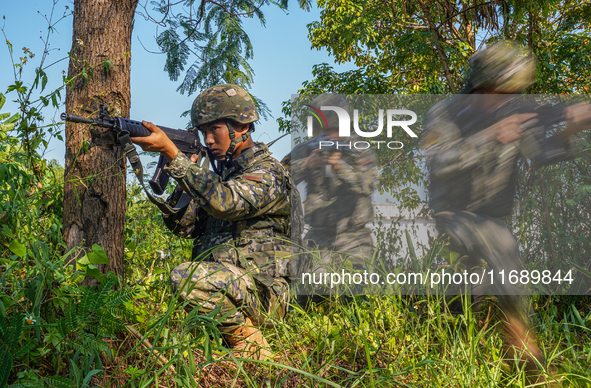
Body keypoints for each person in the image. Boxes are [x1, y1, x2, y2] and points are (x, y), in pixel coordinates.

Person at [421, 40, 591, 375]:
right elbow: (438, 161)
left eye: (515, 92)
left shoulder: (513, 112)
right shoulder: (444, 113)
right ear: (481, 86)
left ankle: (482, 353)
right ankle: (528, 362)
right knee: (499, 255)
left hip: (493, 219)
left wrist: (572, 125)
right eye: (503, 91)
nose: (510, 98)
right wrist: (490, 137)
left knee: (471, 296)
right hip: (452, 217)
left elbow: (543, 155)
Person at [131, 84, 292, 360]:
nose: (208, 140)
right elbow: (184, 228)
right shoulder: (222, 178)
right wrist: (183, 181)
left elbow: (227, 203)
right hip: (230, 289)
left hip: (265, 293)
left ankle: (254, 347)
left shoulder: (268, 172)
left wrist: (176, 157)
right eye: (203, 132)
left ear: (241, 127)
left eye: (214, 130)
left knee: (185, 277)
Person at [285, 94, 379, 301]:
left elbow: (368, 184)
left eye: (333, 130)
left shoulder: (359, 149)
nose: (328, 135)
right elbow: (277, 178)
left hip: (354, 236)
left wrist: (340, 165)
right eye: (323, 130)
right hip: (319, 236)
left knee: (358, 293)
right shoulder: (307, 149)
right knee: (308, 295)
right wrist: (307, 164)